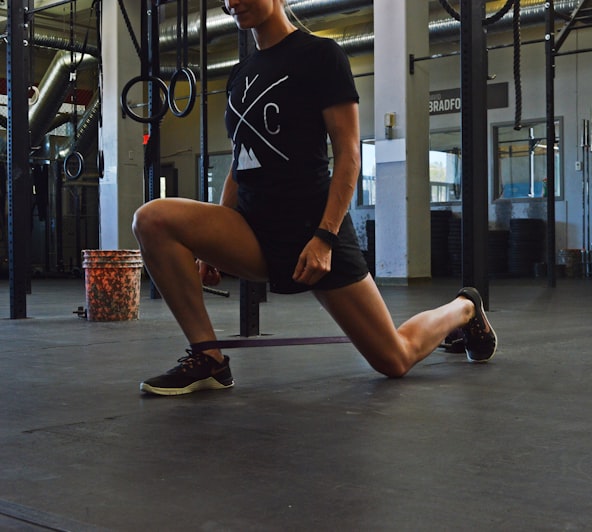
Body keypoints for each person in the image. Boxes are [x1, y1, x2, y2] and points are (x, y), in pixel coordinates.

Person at [132, 0, 497, 396]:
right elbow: (241, 161)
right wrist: (211, 244)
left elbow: (349, 154)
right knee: (151, 219)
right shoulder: (240, 74)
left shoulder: (322, 55)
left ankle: (465, 307)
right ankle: (209, 359)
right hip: (252, 229)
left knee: (394, 358)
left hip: (313, 229)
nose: (231, 3)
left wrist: (325, 237)